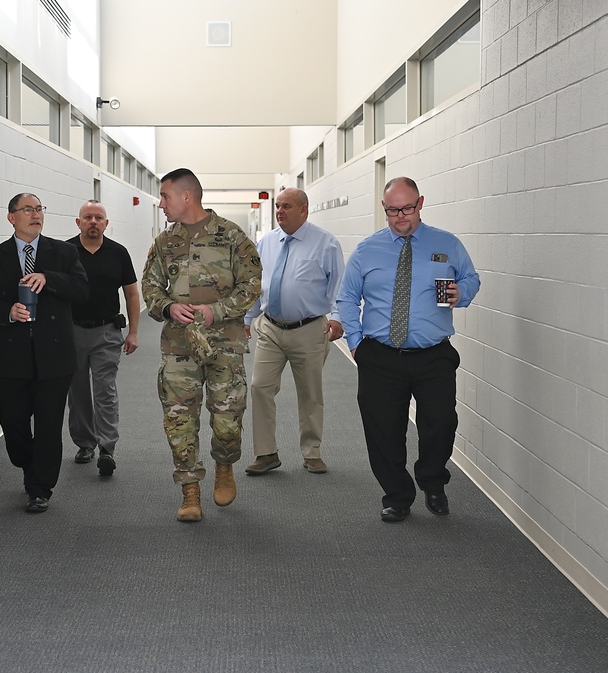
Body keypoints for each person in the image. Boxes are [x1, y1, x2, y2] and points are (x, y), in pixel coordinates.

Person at [336, 177, 480, 523]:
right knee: (383, 430)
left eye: (407, 208)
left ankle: (433, 482)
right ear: (384, 209)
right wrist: (356, 344)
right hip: (381, 357)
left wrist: (463, 293)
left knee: (441, 423)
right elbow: (346, 298)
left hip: (433, 355)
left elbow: (471, 278)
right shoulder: (367, 250)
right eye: (392, 211)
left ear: (421, 203)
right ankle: (397, 495)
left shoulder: (447, 244)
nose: (401, 217)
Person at [142, 168, 262, 522]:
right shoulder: (165, 242)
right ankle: (190, 490)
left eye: (165, 196)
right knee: (178, 420)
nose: (161, 203)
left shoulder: (231, 236)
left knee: (228, 420)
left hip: (225, 344)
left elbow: (252, 283)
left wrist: (218, 311)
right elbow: (150, 287)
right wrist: (167, 306)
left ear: (186, 197)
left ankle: (224, 464)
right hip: (178, 347)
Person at [0, 193, 89, 514]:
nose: (35, 214)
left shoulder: (63, 252)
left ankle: (40, 489)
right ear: (12, 217)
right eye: (28, 210)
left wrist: (48, 278)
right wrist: (8, 310)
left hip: (55, 356)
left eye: (39, 209)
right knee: (12, 420)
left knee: (49, 425)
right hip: (12, 357)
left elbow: (81, 289)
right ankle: (26, 461)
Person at [243, 188, 344, 475]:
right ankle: (266, 453)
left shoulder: (325, 244)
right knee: (260, 387)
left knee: (310, 393)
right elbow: (257, 284)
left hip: (309, 329)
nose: (279, 211)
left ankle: (312, 452)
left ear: (304, 210)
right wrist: (249, 317)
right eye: (277, 206)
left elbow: (338, 286)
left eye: (286, 206)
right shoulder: (267, 242)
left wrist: (337, 318)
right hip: (270, 328)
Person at [67, 200, 140, 476]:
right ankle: (85, 443)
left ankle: (107, 448)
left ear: (106, 224)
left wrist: (133, 331)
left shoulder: (118, 253)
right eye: (88, 217)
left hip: (107, 331)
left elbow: (131, 294)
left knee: (104, 390)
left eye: (99, 217)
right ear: (79, 222)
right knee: (77, 392)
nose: (93, 222)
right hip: (72, 331)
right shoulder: (65, 252)